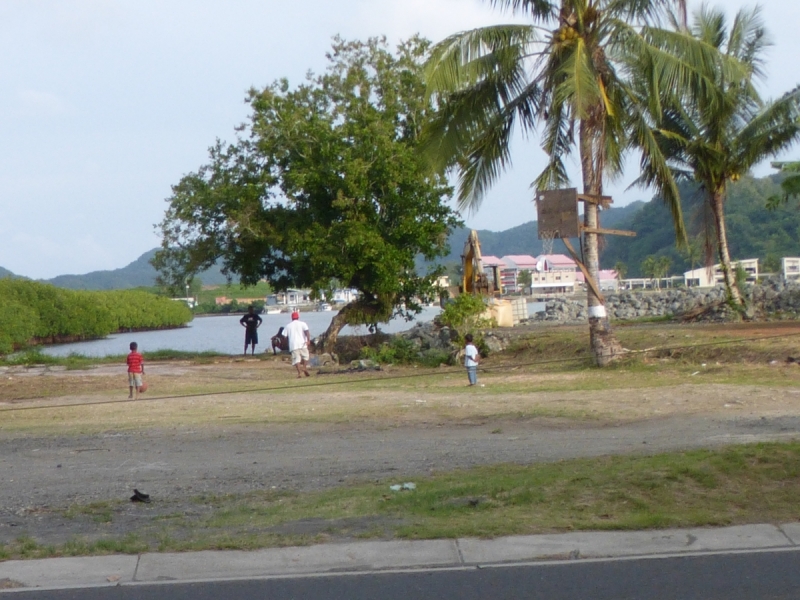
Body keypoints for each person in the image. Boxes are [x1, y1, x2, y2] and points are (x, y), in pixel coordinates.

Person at [284, 311, 311, 378]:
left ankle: (299, 373)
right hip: (302, 343)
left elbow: (284, 336)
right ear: (298, 317)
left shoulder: (288, 326)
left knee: (296, 359)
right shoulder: (303, 324)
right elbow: (307, 332)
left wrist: (288, 343)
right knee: (306, 356)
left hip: (293, 345)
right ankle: (304, 367)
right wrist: (308, 340)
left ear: (292, 318)